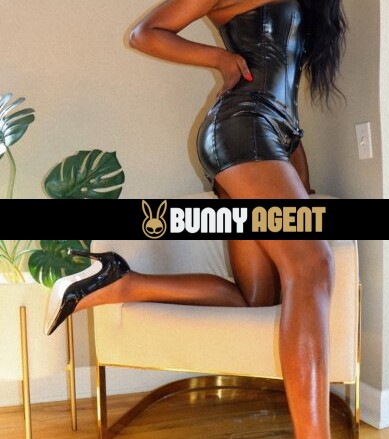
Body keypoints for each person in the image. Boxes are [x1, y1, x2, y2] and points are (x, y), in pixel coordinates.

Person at [45, 1, 346, 438]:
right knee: (312, 265)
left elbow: (282, 86)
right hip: (244, 131)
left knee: (258, 298)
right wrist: (220, 59)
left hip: (275, 138)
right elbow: (146, 33)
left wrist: (299, 167)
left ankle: (120, 282)